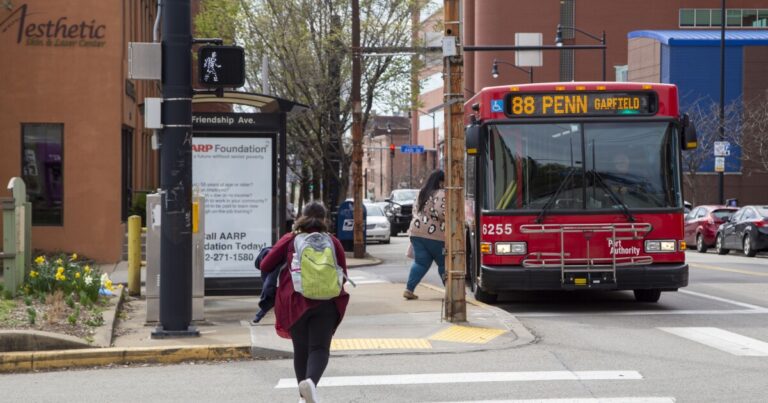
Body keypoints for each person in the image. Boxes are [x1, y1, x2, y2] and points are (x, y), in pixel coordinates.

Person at [259, 202, 350, 403]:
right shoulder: (333, 242)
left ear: (302, 216)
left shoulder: (290, 240)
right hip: (326, 303)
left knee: (300, 350)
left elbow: (265, 264)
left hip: (295, 302)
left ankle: (303, 396)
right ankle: (310, 384)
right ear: (325, 219)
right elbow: (343, 275)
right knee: (319, 349)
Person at [403, 170, 446, 300]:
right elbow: (442, 213)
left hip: (416, 231)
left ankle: (409, 289)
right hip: (435, 234)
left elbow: (414, 210)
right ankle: (452, 291)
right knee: (444, 263)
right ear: (440, 181)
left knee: (421, 263)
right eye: (444, 181)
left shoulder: (421, 193)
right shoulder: (440, 193)